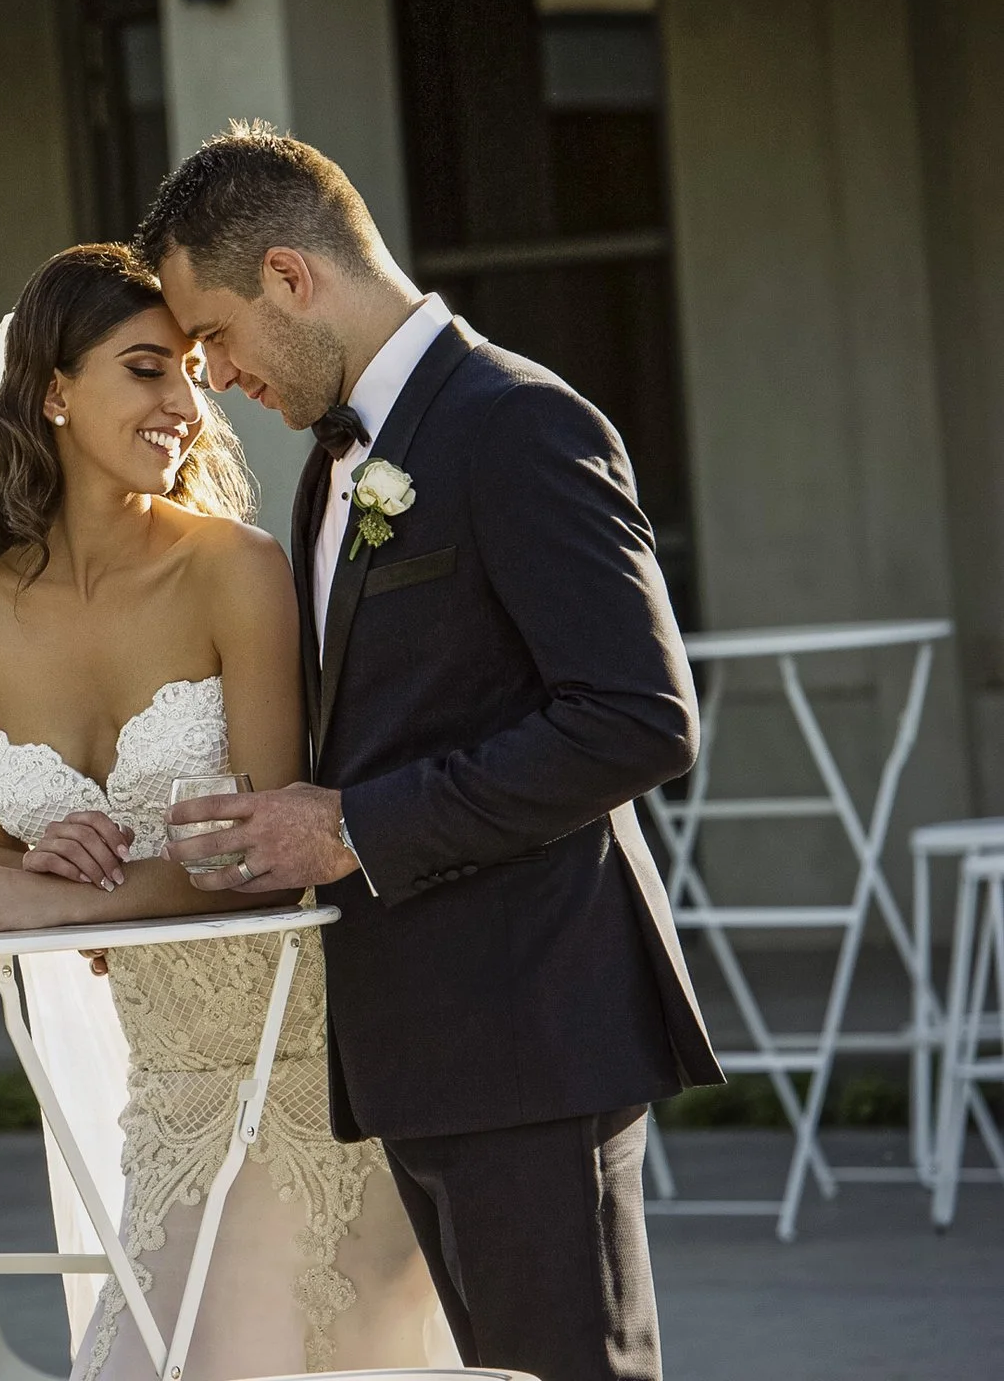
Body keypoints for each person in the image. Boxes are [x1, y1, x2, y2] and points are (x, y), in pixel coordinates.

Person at [142, 123, 723, 1381]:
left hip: (530, 1023)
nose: (214, 379)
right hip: (414, 1044)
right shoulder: (326, 471)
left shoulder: (518, 422)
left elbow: (637, 717)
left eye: (216, 338)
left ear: (291, 277)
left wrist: (352, 824)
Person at [0, 242, 452, 1379]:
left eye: (195, 372)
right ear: (51, 391)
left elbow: (275, 863)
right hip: (169, 1082)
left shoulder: (234, 569)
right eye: (147, 369)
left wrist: (52, 899)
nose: (187, 404)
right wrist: (39, 864)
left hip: (306, 1048)